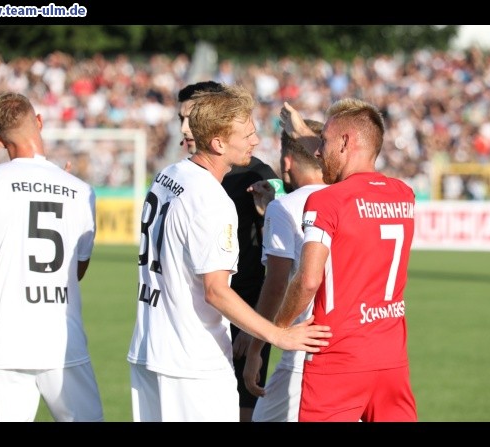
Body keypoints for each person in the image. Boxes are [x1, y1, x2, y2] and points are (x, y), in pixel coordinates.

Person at [126, 84, 331, 422]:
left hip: (149, 349)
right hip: (192, 362)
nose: (255, 141)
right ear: (218, 142)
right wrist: (277, 334)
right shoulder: (211, 199)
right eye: (247, 134)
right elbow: (216, 291)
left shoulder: (168, 175)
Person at [274, 99, 418, 422]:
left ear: (344, 142)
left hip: (337, 359)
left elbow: (309, 280)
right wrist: (302, 131)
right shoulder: (403, 194)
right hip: (391, 358)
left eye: (322, 142)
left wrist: (278, 328)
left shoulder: (325, 201)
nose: (317, 152)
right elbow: (351, 169)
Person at [0, 92, 103, 422]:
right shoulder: (80, 190)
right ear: (38, 121)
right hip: (62, 341)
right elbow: (75, 272)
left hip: (4, 342)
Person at [177, 80, 276, 422]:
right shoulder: (183, 177)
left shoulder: (258, 174)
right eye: (182, 119)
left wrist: (255, 332)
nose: (186, 128)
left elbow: (278, 257)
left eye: (192, 117)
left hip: (242, 318)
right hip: (197, 322)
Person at [243, 119, 326, 422]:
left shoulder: (286, 208)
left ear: (287, 161)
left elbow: (277, 284)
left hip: (304, 346)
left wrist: (256, 349)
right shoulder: (346, 199)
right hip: (351, 344)